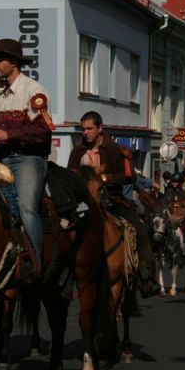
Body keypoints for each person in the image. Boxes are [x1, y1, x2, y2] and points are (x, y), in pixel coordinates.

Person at [0, 39, 53, 277]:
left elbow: (43, 130)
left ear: (14, 62)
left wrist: (9, 133)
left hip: (29, 160)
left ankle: (35, 263)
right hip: (1, 159)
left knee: (26, 208)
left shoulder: (34, 90)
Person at [68, 111, 160, 297]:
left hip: (112, 200)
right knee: (63, 228)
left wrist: (101, 177)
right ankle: (63, 278)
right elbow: (71, 175)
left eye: (89, 129)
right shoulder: (78, 151)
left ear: (100, 128)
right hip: (83, 203)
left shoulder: (112, 148)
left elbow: (126, 177)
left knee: (140, 230)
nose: (85, 133)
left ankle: (146, 277)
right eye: (83, 129)